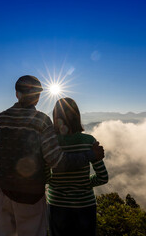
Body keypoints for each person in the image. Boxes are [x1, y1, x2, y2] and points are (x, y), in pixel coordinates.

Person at [0, 75, 105, 236]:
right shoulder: (41, 120)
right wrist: (90, 154)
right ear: (38, 97)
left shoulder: (0, 118)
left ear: (16, 94)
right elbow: (57, 161)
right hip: (32, 198)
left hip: (4, 194)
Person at [47, 97, 109, 236]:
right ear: (77, 116)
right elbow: (103, 177)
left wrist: (55, 182)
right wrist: (85, 183)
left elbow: (44, 175)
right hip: (85, 205)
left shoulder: (50, 143)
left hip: (57, 204)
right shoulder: (89, 141)